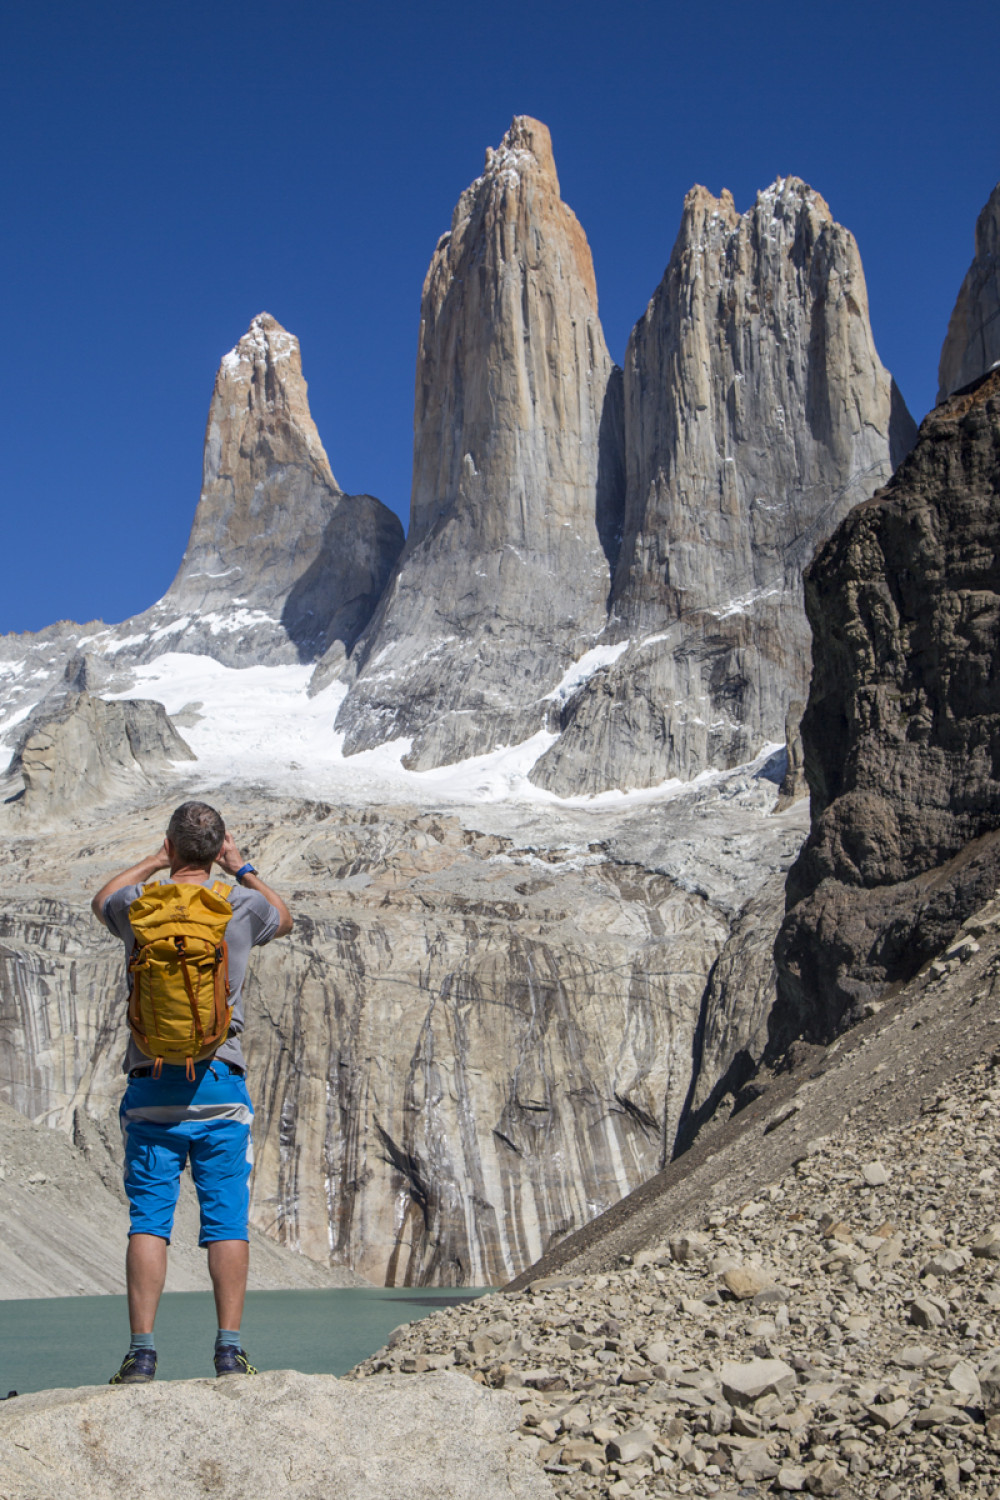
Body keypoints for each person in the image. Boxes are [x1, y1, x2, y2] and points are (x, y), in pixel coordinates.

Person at [91, 800, 293, 1384]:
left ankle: (142, 1355)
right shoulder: (240, 905)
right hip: (220, 1088)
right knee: (225, 1220)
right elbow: (286, 915)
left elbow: (100, 898)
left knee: (149, 1221)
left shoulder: (137, 906)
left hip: (151, 1087)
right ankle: (228, 1352)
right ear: (218, 847)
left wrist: (154, 862)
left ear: (172, 846)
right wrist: (242, 868)